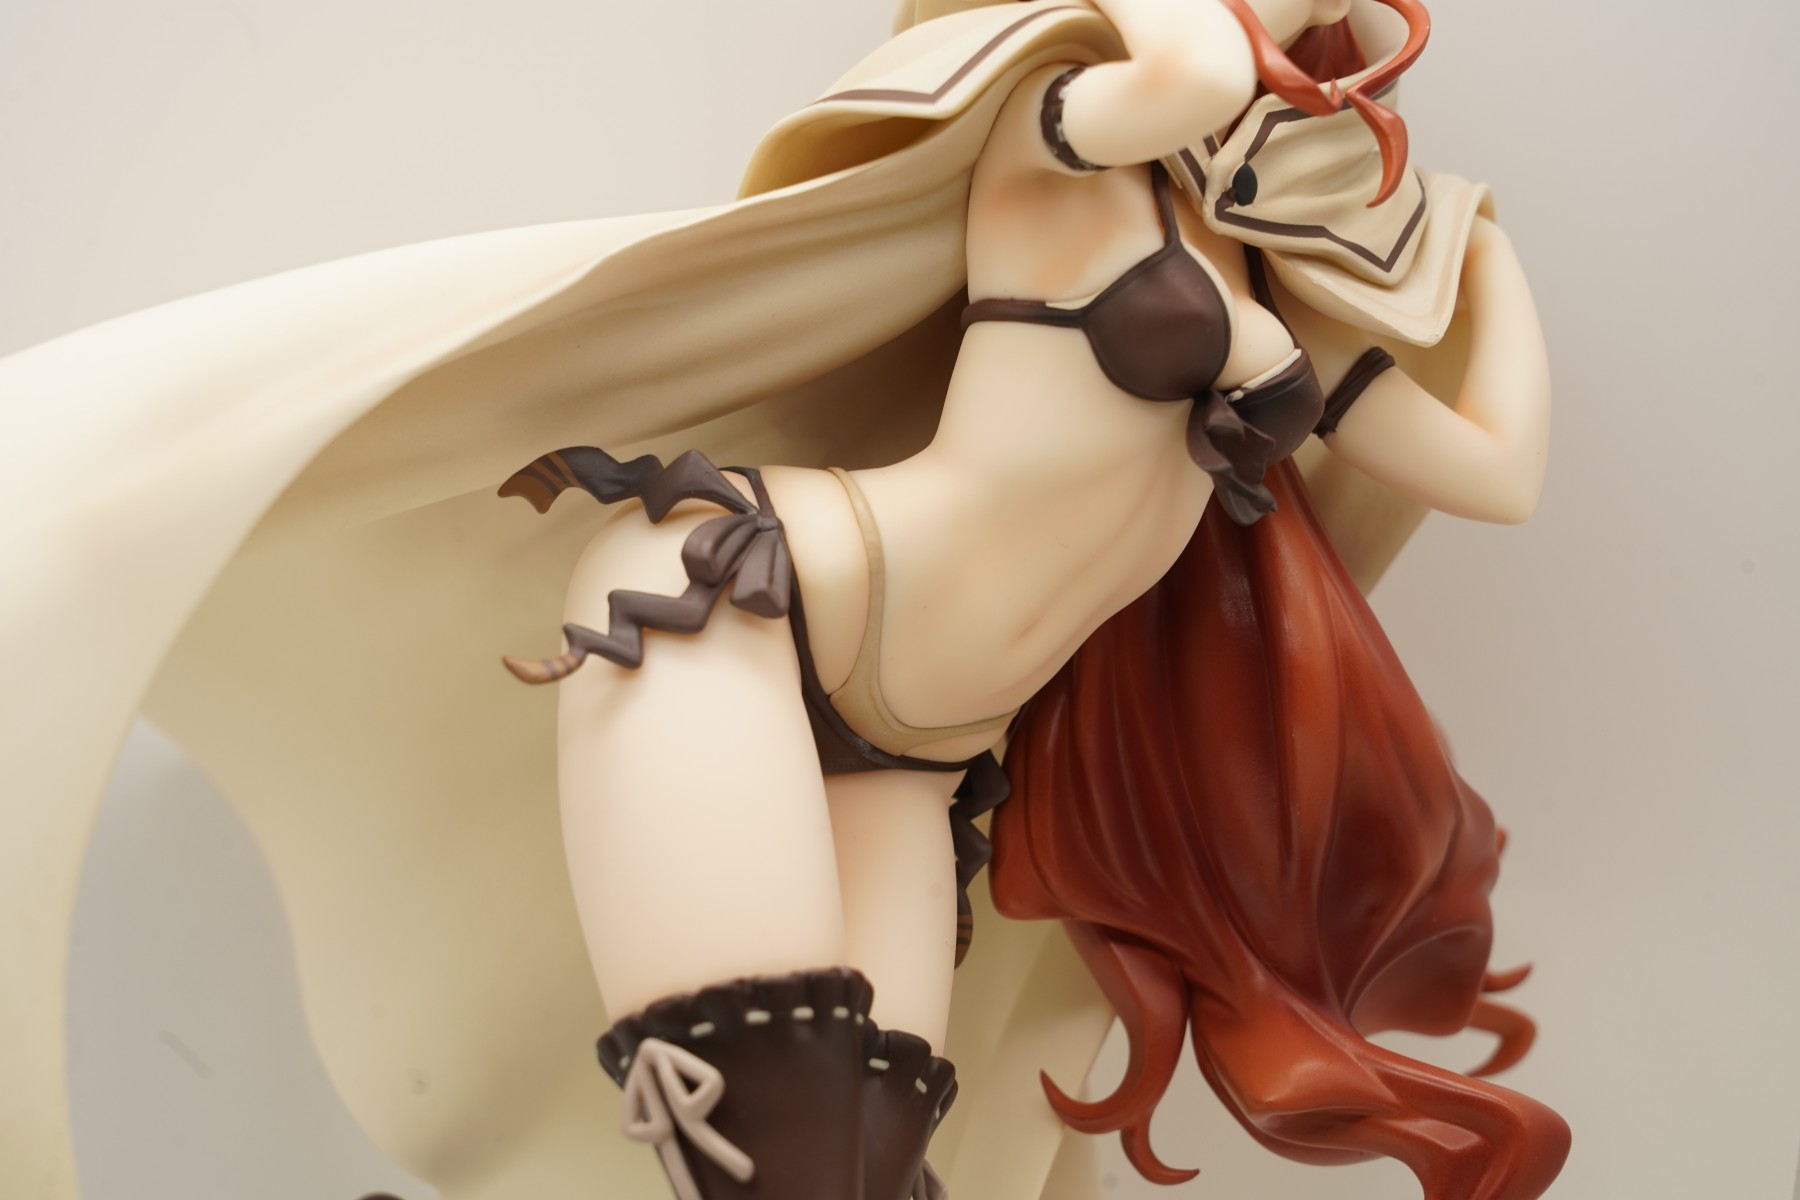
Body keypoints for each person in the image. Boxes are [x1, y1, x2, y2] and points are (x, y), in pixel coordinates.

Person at [0, 0, 1562, 1197]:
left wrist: (1464, 248)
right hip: (745, 605)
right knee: (779, 1145)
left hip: (920, 755)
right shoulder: (1057, 120)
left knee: (865, 1170)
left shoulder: (1272, 268)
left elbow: (1496, 469)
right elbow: (1188, 71)